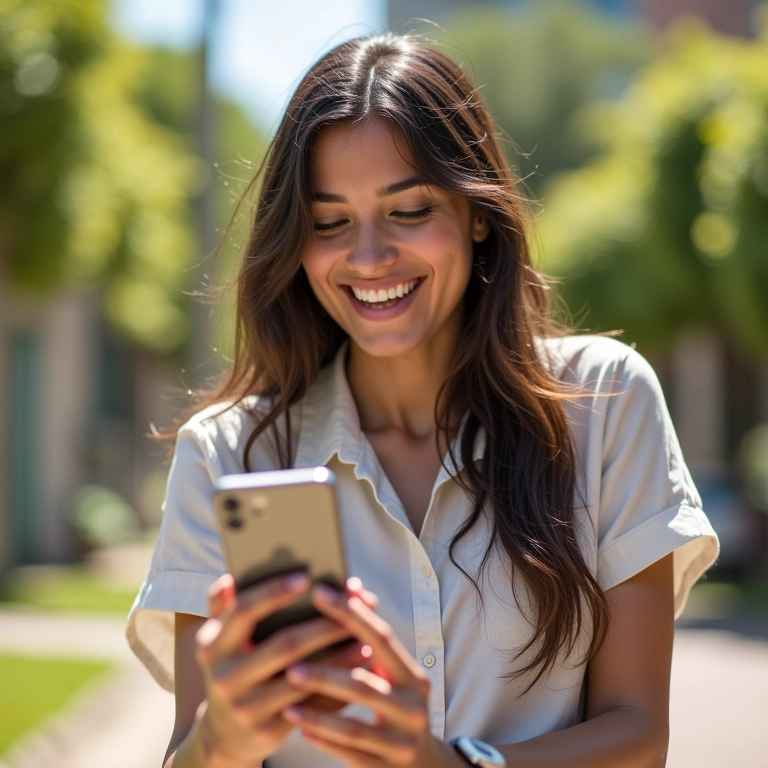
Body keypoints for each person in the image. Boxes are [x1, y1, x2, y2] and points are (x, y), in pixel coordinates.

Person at [127, 33, 718, 768]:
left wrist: (448, 764)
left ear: (477, 215)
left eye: (409, 210)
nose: (368, 257)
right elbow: (189, 753)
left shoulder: (604, 401)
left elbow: (638, 736)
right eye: (330, 222)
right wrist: (223, 740)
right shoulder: (228, 452)